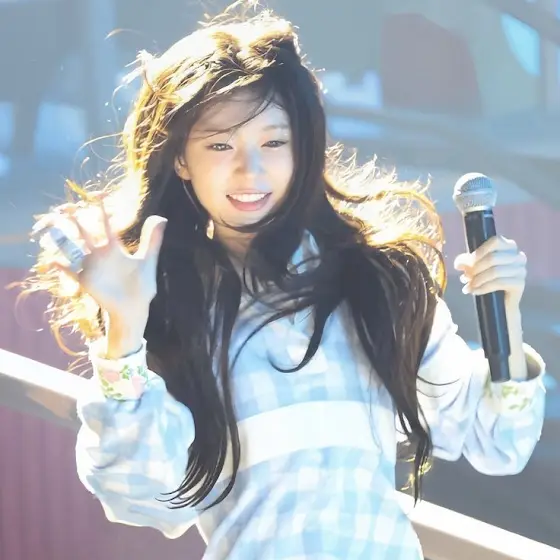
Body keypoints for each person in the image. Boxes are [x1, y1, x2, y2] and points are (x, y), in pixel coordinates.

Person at [28, 4, 546, 558]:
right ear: (180, 159)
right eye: (220, 145)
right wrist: (124, 334)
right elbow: (146, 502)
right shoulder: (169, 303)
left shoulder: (376, 282)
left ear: (302, 147)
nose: (250, 170)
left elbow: (498, 441)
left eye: (273, 143)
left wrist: (506, 312)